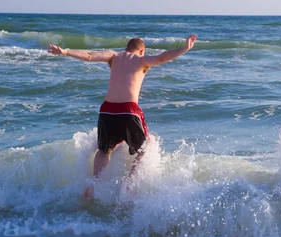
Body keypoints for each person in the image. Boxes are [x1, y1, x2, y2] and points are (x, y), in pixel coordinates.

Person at [47, 35, 198, 198]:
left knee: (104, 150)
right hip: (128, 110)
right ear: (141, 50)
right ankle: (130, 182)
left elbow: (89, 56)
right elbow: (162, 57)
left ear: (126, 48)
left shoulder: (114, 55)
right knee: (145, 147)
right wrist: (184, 48)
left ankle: (94, 183)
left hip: (107, 110)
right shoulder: (140, 60)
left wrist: (65, 51)